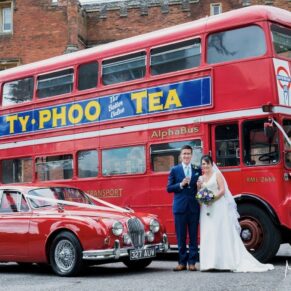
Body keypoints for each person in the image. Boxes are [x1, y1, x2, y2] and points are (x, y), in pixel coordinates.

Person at [198, 154, 274, 272]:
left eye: (206, 163)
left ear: (211, 164)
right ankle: (210, 263)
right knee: (209, 233)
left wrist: (212, 199)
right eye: (203, 164)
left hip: (218, 206)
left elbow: (222, 191)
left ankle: (224, 263)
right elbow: (200, 193)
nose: (205, 166)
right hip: (207, 209)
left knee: (220, 232)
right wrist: (201, 194)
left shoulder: (217, 175)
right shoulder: (201, 178)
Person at [167, 145, 202, 271]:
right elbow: (169, 188)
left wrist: (200, 186)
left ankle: (192, 262)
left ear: (191, 155)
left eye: (188, 154)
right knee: (181, 236)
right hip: (180, 208)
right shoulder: (174, 170)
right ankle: (182, 262)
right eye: (184, 154)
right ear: (181, 156)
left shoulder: (197, 169)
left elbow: (200, 188)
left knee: (193, 236)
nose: (186, 156)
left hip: (193, 207)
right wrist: (181, 184)